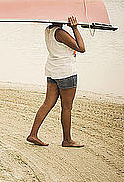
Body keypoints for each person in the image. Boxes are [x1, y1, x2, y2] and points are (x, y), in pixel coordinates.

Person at [27, 16, 85, 147]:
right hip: (65, 72)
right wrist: (75, 28)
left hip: (53, 70)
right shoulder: (60, 33)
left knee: (47, 103)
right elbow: (81, 48)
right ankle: (67, 140)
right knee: (67, 107)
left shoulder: (49, 30)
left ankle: (33, 134)